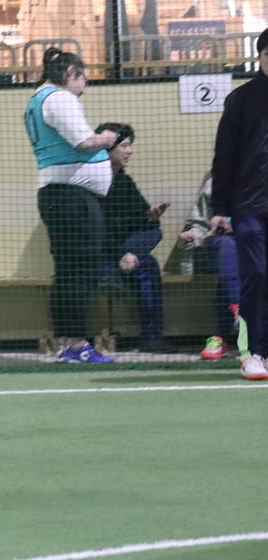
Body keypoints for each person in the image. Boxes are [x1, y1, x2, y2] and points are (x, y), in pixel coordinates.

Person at [24, 47, 119, 363]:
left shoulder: (36, 100)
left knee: (67, 271)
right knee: (82, 272)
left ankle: (67, 342)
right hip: (72, 199)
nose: (83, 88)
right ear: (69, 74)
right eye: (83, 80)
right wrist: (107, 137)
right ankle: (77, 344)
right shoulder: (59, 98)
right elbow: (84, 142)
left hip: (59, 196)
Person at [210, 27, 268, 380]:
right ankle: (255, 353)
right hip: (248, 206)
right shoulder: (240, 100)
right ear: (260, 57)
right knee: (256, 275)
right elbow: (224, 157)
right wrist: (219, 208)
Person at [97, 123, 177, 354]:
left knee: (152, 247)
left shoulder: (125, 183)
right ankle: (114, 270)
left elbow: (145, 226)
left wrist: (151, 217)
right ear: (107, 149)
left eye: (130, 145)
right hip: (98, 256)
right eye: (124, 146)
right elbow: (96, 231)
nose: (129, 151)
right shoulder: (91, 183)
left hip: (124, 254)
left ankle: (152, 338)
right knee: (147, 265)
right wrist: (120, 254)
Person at [177, 172, 242, 360]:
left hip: (256, 245)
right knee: (229, 250)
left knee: (235, 272)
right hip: (222, 246)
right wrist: (191, 237)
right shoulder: (216, 182)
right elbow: (200, 225)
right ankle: (240, 312)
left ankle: (220, 336)